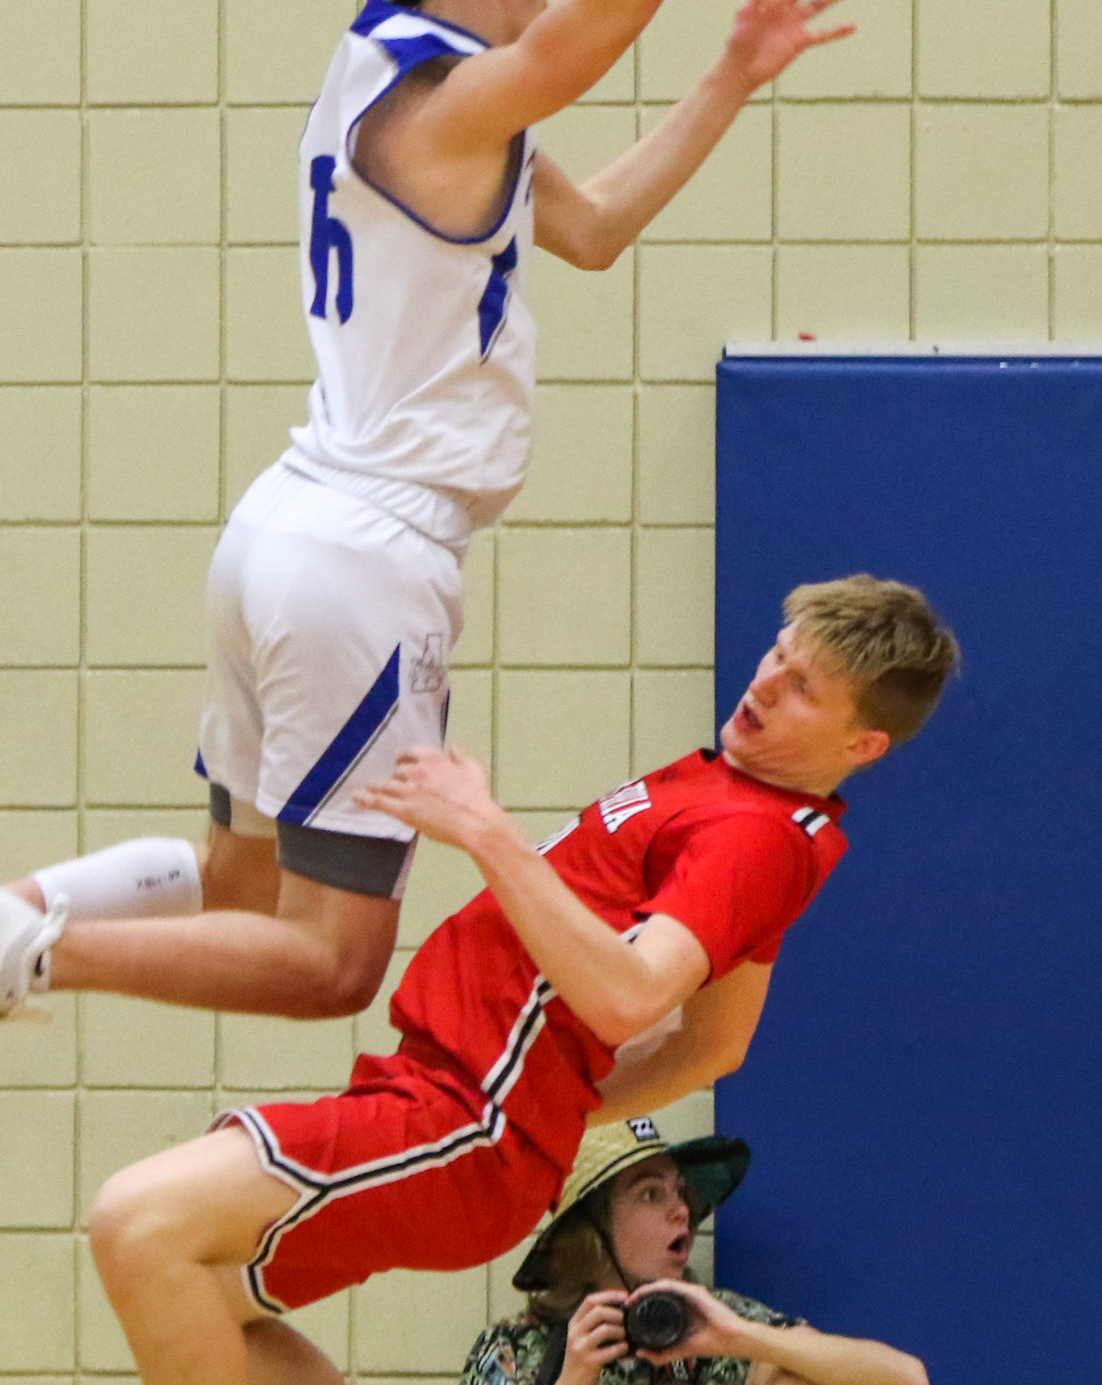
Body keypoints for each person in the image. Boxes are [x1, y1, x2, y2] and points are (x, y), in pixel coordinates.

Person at [0, 0, 855, 1111]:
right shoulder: (445, 103)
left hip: (283, 528)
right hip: (367, 560)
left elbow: (594, 231)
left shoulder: (384, 74)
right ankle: (10, 952)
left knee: (236, 884)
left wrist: (732, 78)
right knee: (331, 962)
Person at [81, 575, 958, 1385]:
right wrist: (557, 1109)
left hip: (468, 1121)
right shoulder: (742, 804)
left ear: (862, 741)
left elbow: (630, 996)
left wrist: (486, 830)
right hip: (459, 1105)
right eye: (778, 654)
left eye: (804, 687)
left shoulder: (755, 838)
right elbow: (715, 1043)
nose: (766, 683)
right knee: (205, 1298)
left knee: (140, 1223)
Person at [463, 1118, 927, 1385]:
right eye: (650, 1194)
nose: (681, 1210)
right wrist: (573, 1376)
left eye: (680, 1192)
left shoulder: (711, 1327)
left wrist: (743, 1338)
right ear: (590, 1233)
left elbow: (905, 1378)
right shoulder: (513, 1349)